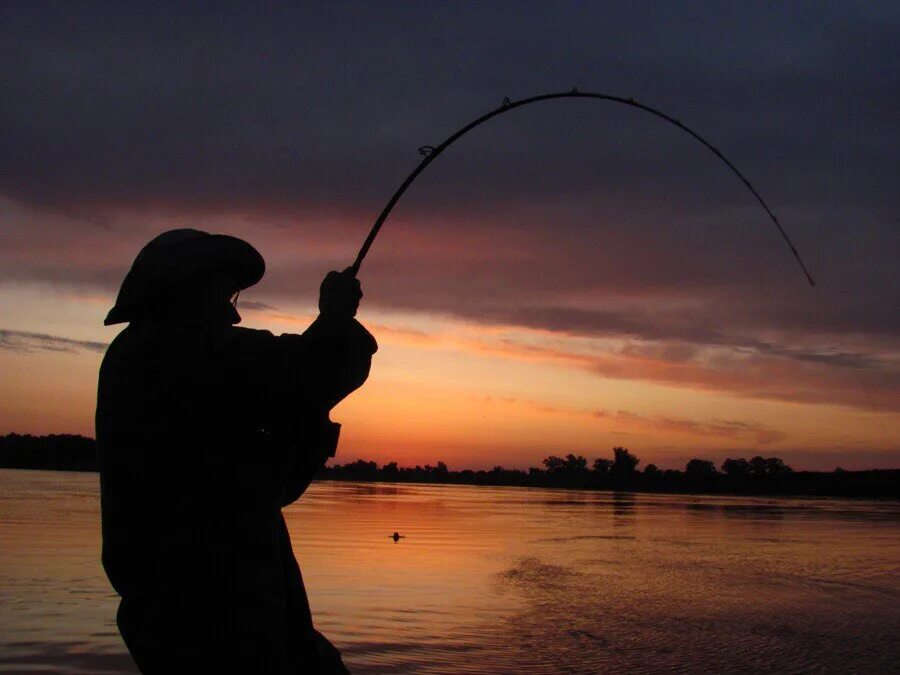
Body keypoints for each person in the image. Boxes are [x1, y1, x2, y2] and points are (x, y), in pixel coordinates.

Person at [96, 229, 376, 674]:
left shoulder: (152, 354)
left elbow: (273, 486)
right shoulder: (170, 351)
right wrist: (336, 314)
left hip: (225, 604)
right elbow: (311, 366)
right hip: (206, 611)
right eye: (222, 294)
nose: (233, 314)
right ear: (186, 290)